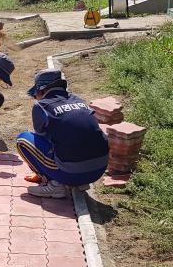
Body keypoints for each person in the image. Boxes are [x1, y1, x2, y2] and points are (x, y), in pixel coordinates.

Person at [15, 69, 109, 199]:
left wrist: (41, 170)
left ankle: (55, 184)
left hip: (72, 173)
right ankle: (78, 180)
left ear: (41, 90)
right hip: (98, 170)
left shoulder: (41, 106)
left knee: (22, 139)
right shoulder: (79, 100)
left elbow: (42, 140)